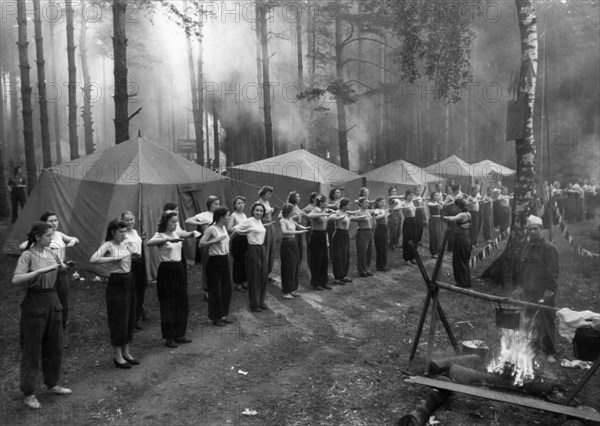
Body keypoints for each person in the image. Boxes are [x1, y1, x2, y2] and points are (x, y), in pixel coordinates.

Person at [13, 222, 73, 410]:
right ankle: (29, 392)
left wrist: (66, 268)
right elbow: (16, 279)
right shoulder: (28, 255)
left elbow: (60, 269)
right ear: (38, 237)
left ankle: (52, 383)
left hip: (52, 299)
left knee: (55, 344)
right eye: (48, 235)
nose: (51, 238)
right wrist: (39, 271)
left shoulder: (52, 252)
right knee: (31, 349)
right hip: (35, 302)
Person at [90, 219, 139, 368]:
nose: (124, 234)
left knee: (130, 315)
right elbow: (93, 259)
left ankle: (126, 351)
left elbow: (134, 255)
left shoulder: (126, 242)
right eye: (121, 232)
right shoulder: (108, 245)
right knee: (119, 317)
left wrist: (133, 251)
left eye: (125, 231)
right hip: (117, 282)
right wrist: (113, 258)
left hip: (129, 280)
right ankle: (117, 355)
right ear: (113, 232)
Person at [147, 211, 200, 348]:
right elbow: (150, 243)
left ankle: (179, 333)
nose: (175, 224)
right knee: (168, 303)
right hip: (167, 270)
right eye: (173, 222)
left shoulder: (176, 233)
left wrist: (194, 233)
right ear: (166, 222)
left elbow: (187, 234)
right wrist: (166, 240)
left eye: (176, 222)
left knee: (181, 302)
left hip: (178, 269)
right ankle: (169, 336)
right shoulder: (161, 235)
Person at [516, 215, 559, 363]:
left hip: (544, 291)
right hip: (529, 291)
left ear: (541, 229)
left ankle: (549, 352)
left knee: (547, 320)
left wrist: (550, 291)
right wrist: (522, 288)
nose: (533, 232)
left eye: (535, 229)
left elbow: (553, 271)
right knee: (528, 320)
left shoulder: (548, 248)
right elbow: (525, 270)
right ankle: (532, 347)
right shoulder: (529, 247)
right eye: (530, 229)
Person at [37, 212, 79, 331]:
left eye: (56, 220)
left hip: (62, 272)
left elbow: (75, 239)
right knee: (47, 300)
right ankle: (47, 327)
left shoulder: (59, 234)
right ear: (44, 223)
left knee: (63, 300)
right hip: (47, 273)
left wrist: (73, 241)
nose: (54, 223)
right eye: (51, 221)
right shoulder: (41, 236)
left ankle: (61, 328)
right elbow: (24, 246)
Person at [199, 207, 234, 326]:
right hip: (214, 261)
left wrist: (234, 234)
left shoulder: (223, 227)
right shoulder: (211, 229)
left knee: (226, 288)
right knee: (216, 290)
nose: (229, 217)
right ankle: (215, 317)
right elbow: (201, 244)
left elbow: (225, 242)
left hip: (225, 259)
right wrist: (215, 240)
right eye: (228, 215)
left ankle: (223, 315)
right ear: (221, 217)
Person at [233, 202, 270, 312]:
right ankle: (254, 304)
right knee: (254, 277)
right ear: (253, 211)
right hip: (253, 249)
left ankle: (261, 301)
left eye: (261, 211)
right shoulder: (249, 221)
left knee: (263, 275)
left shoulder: (260, 221)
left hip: (262, 248)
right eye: (257, 210)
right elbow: (235, 228)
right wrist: (245, 232)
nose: (259, 212)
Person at [186, 196, 220, 299]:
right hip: (207, 243)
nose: (217, 206)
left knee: (217, 267)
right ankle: (206, 289)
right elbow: (187, 221)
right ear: (209, 205)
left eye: (218, 204)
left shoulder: (219, 215)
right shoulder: (204, 215)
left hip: (218, 243)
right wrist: (200, 223)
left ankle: (215, 288)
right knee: (207, 266)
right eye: (215, 204)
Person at [121, 211, 147, 330]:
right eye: (127, 220)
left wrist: (141, 239)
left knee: (140, 290)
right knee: (131, 292)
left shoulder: (135, 232)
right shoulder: (122, 234)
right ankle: (128, 321)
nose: (130, 222)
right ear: (122, 221)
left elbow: (136, 245)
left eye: (132, 219)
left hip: (140, 263)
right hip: (130, 264)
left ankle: (136, 318)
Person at [279, 203, 309, 299]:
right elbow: (284, 231)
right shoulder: (282, 221)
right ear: (288, 211)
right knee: (289, 266)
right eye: (292, 211)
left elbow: (297, 225)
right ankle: (286, 291)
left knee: (295, 265)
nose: (294, 212)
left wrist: (304, 228)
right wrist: (298, 232)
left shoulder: (290, 219)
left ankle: (293, 289)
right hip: (286, 244)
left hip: (293, 243)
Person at [443, 199, 472, 288]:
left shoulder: (462, 215)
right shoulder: (468, 214)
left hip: (461, 239)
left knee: (459, 260)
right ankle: (466, 281)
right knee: (463, 260)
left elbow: (452, 219)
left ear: (458, 206)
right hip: (465, 238)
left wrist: (443, 217)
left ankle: (462, 283)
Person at [307, 195, 333, 290]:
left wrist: (326, 213)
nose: (327, 204)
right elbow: (309, 216)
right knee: (316, 260)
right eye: (325, 202)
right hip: (316, 236)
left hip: (323, 235)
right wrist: (322, 214)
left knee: (324, 260)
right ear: (321, 203)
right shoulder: (316, 210)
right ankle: (316, 283)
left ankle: (324, 282)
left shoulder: (323, 211)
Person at [328, 198, 353, 284]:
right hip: (339, 234)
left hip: (345, 234)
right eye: (348, 205)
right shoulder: (338, 212)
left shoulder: (346, 213)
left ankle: (343, 275)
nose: (350, 206)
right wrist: (340, 216)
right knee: (338, 256)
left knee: (346, 255)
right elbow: (330, 218)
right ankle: (337, 277)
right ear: (344, 205)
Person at [256, 186, 277, 281]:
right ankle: (261, 273)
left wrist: (274, 211)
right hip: (264, 226)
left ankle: (267, 272)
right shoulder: (258, 203)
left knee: (271, 249)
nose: (270, 195)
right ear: (263, 194)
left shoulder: (267, 203)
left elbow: (270, 215)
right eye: (268, 194)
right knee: (265, 249)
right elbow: (258, 217)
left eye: (270, 194)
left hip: (270, 226)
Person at [351, 196, 375, 276]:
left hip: (369, 232)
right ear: (360, 204)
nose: (367, 204)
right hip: (362, 232)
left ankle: (367, 268)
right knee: (362, 252)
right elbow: (352, 218)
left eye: (368, 202)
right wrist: (359, 218)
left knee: (369, 252)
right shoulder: (359, 212)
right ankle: (361, 270)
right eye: (365, 202)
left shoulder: (368, 211)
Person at [229, 196, 248, 292]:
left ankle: (244, 281)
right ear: (235, 205)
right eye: (238, 203)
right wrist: (239, 228)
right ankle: (237, 282)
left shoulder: (244, 215)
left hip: (245, 239)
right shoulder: (233, 215)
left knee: (245, 260)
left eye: (242, 203)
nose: (241, 205)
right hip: (237, 239)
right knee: (238, 261)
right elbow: (229, 228)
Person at [400, 190, 418, 266]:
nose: (412, 197)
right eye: (410, 195)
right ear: (406, 195)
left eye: (413, 195)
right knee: (408, 239)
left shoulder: (412, 203)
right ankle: (406, 258)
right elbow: (399, 209)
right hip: (407, 221)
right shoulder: (403, 203)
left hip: (414, 221)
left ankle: (412, 257)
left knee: (414, 239)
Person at [302, 192, 319, 268]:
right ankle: (310, 263)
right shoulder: (309, 207)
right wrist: (307, 216)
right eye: (317, 197)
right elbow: (302, 211)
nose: (318, 198)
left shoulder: (318, 207)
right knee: (310, 246)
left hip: (317, 228)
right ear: (313, 198)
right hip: (311, 227)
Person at [373, 197, 389, 271]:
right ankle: (379, 266)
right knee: (380, 248)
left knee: (384, 247)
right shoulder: (376, 210)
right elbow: (377, 218)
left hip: (384, 228)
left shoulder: (383, 210)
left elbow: (385, 220)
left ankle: (384, 264)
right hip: (379, 228)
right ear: (377, 203)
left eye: (384, 202)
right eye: (381, 202)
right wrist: (385, 214)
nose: (383, 204)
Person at [428, 192, 444, 258]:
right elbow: (432, 205)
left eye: (438, 195)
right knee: (434, 235)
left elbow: (442, 207)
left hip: (438, 219)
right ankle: (433, 252)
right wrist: (440, 203)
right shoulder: (430, 203)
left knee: (439, 235)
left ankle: (438, 250)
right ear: (432, 196)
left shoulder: (438, 203)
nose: (437, 196)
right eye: (436, 195)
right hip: (433, 220)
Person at [387, 187, 403, 252]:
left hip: (399, 214)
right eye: (393, 191)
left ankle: (396, 244)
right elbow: (392, 201)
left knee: (399, 231)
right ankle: (392, 246)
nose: (394, 193)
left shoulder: (397, 199)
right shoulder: (390, 198)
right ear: (390, 193)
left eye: (395, 191)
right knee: (393, 231)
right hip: (394, 214)